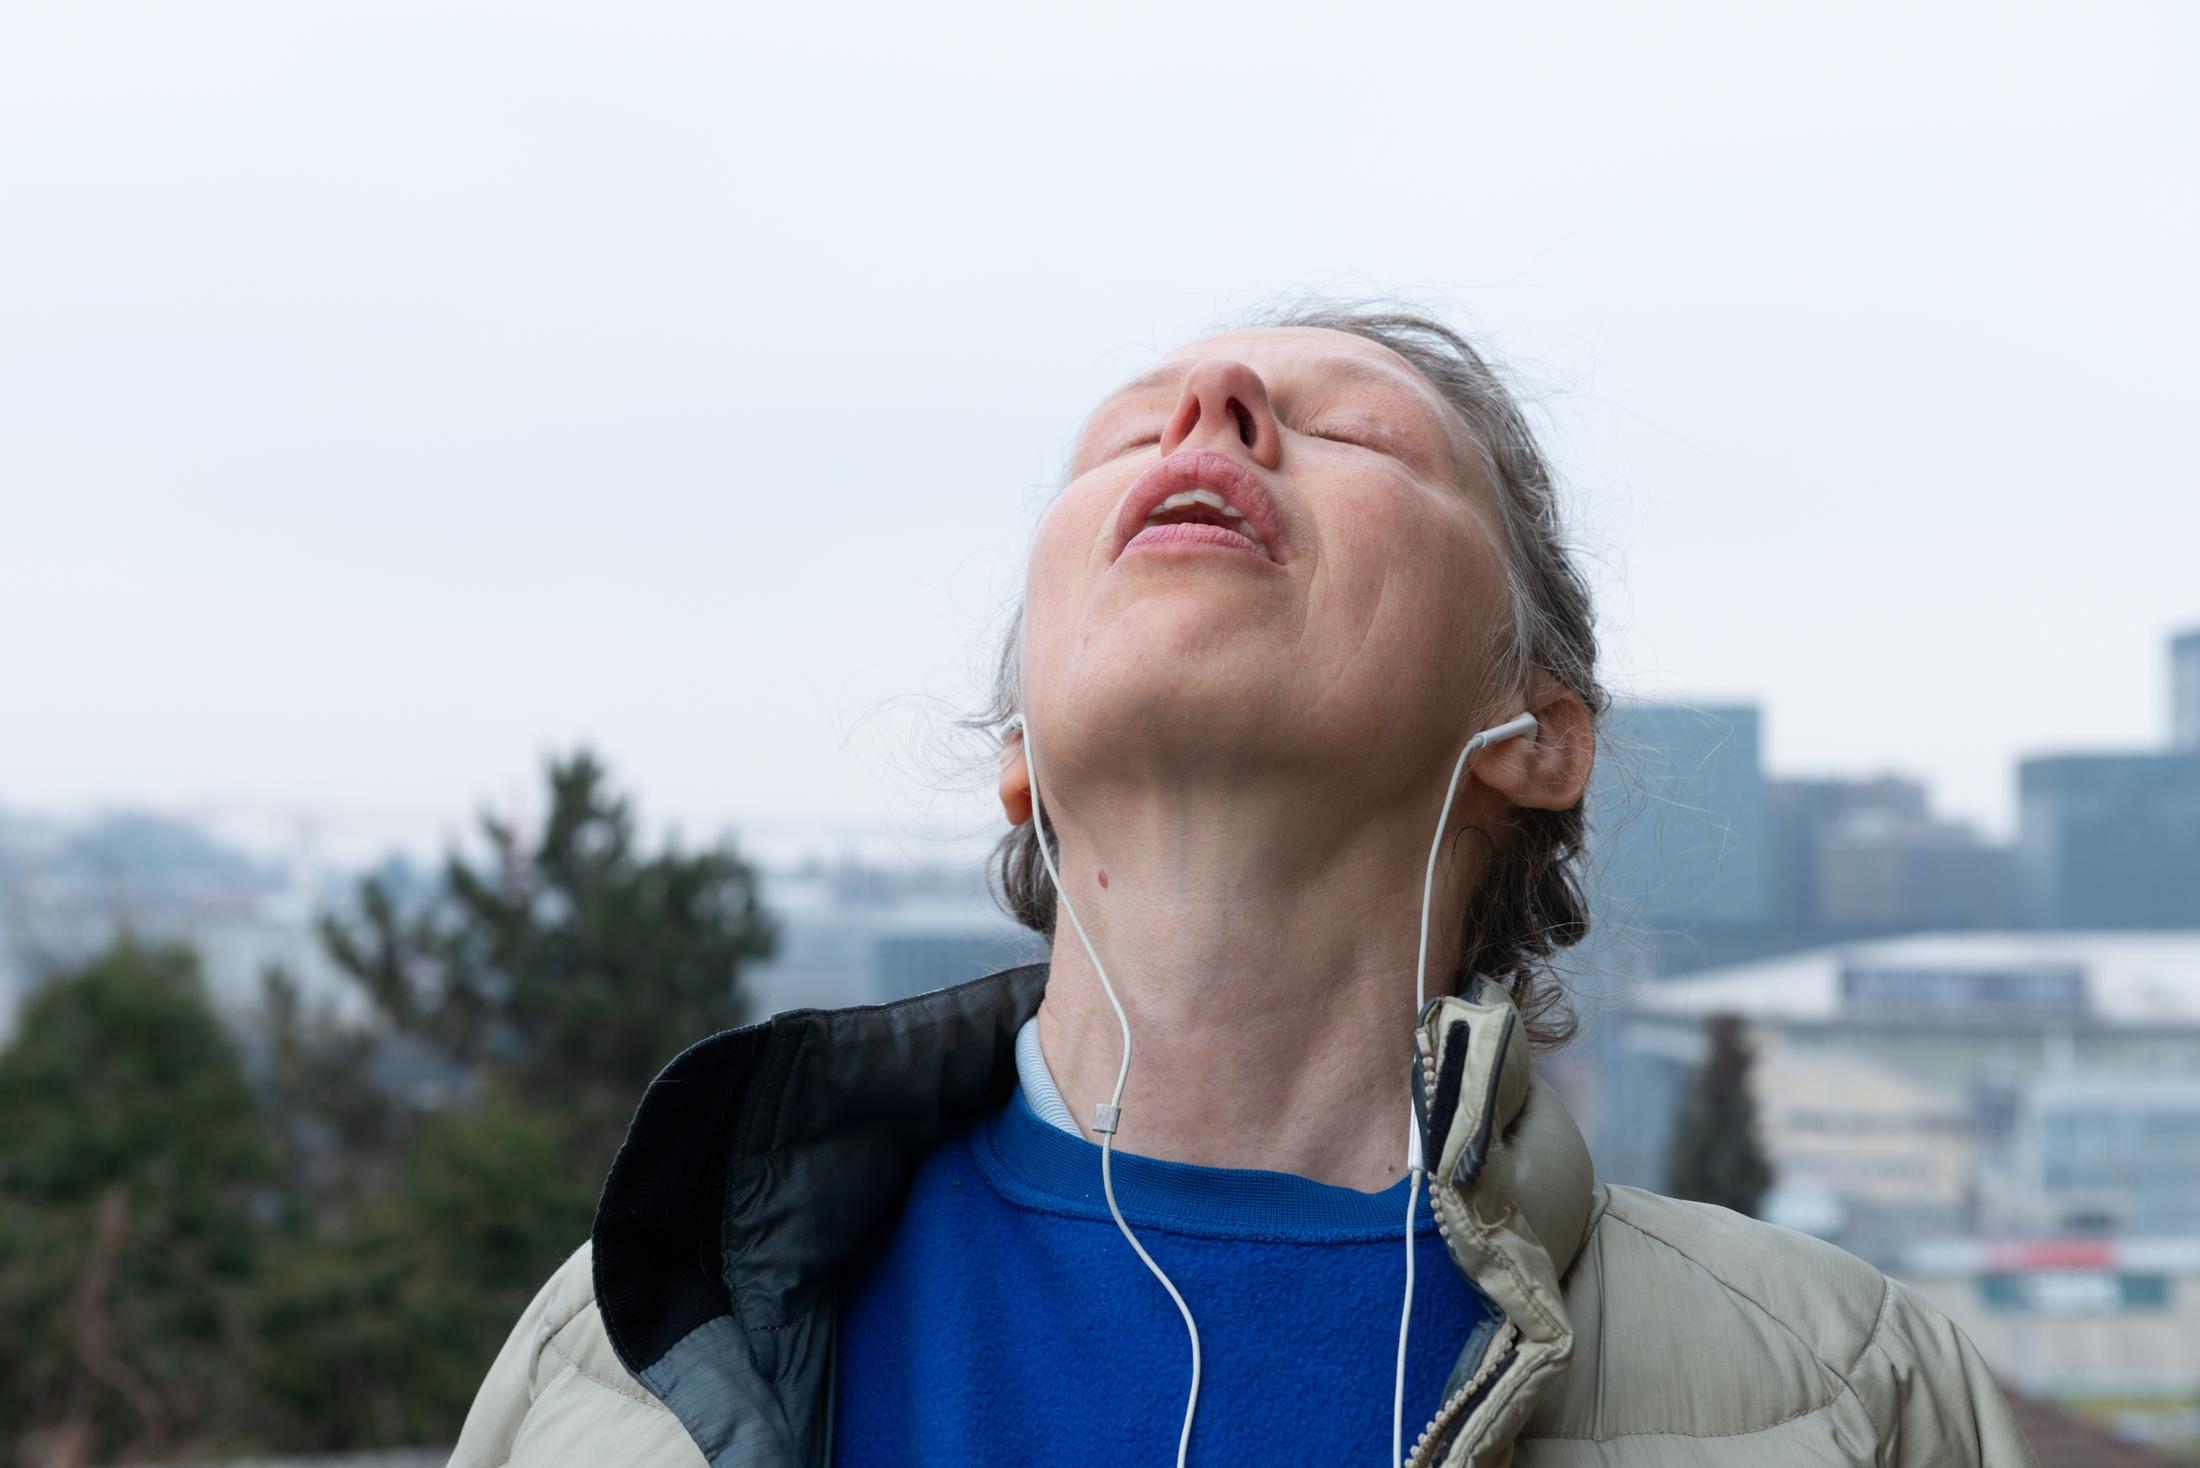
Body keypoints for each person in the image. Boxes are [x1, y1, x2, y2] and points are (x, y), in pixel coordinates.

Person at [448, 305, 2038, 1467]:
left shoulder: (1846, 1388)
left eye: (1352, 430)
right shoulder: (624, 1357)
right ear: (1021, 752)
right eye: (1134, 434)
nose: (1209, 402)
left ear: (1539, 737)